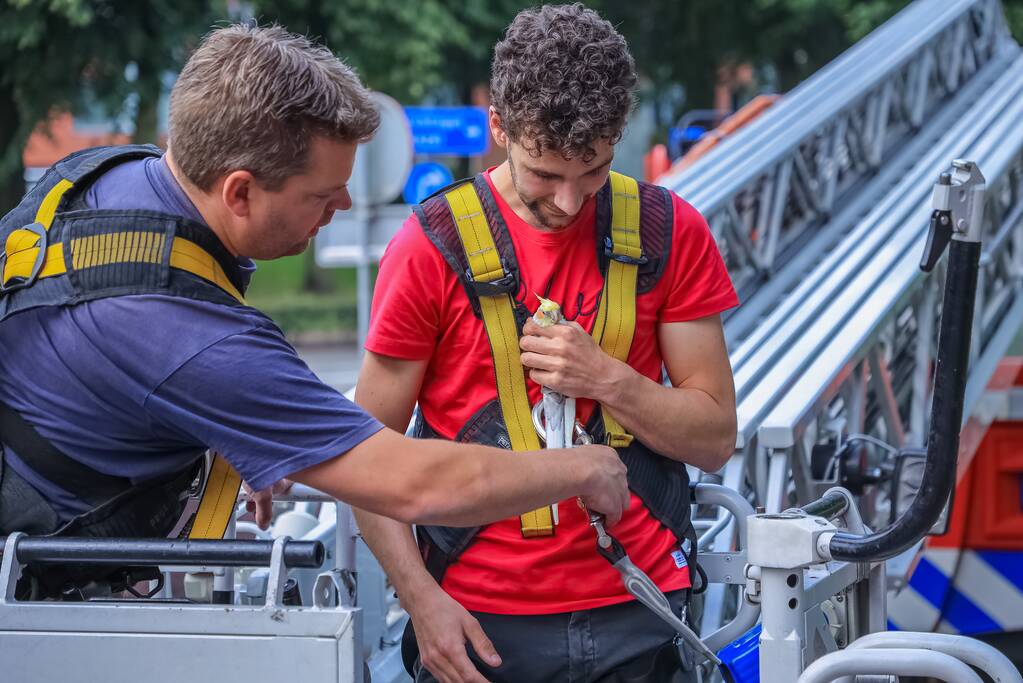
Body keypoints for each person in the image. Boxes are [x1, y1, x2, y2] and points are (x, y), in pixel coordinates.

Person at [0, 23, 629, 582]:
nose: (344, 208)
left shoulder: (103, 180)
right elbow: (417, 483)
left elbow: (114, 369)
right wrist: (582, 469)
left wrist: (235, 433)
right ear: (240, 192)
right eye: (324, 195)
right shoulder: (201, 344)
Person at [353, 5, 739, 683]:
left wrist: (606, 379)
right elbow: (364, 455)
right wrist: (420, 601)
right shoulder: (429, 247)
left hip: (642, 609)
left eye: (591, 172)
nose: (566, 202)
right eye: (542, 174)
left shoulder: (667, 230)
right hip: (478, 621)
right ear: (498, 127)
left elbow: (712, 437)